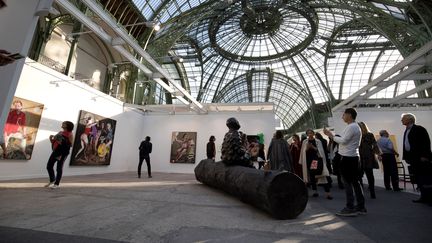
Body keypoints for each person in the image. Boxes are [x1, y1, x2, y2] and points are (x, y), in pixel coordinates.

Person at [324, 108, 365, 216]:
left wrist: (331, 136)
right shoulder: (354, 127)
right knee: (355, 182)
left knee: (348, 184)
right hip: (352, 157)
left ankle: (350, 207)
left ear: (349, 115)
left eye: (344, 115)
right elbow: (345, 141)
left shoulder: (352, 127)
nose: (342, 117)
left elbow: (344, 141)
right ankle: (361, 206)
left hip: (348, 158)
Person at [401, 113, 432, 204]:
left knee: (425, 178)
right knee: (419, 178)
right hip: (413, 158)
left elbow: (426, 143)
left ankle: (429, 198)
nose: (401, 120)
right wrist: (406, 157)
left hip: (421, 158)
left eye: (403, 118)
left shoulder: (419, 129)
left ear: (410, 120)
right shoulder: (407, 130)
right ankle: (423, 197)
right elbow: (406, 144)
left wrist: (425, 156)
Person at [299, 129, 333, 200]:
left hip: (316, 161)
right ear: (307, 134)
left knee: (322, 176)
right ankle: (315, 191)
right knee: (312, 177)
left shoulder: (318, 141)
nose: (310, 134)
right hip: (309, 161)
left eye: (311, 133)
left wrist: (313, 148)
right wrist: (308, 148)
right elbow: (303, 152)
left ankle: (328, 193)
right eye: (308, 133)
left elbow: (321, 152)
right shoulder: (305, 142)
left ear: (313, 134)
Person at [45, 121, 74, 189]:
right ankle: (52, 180)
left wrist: (62, 141)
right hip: (56, 151)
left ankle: (57, 183)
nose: (62, 124)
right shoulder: (60, 132)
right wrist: (51, 138)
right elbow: (53, 141)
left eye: (64, 123)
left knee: (59, 168)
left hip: (63, 153)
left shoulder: (70, 134)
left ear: (67, 126)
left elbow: (71, 145)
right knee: (49, 166)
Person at [358, 121, 382, 199]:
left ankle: (372, 191)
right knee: (359, 176)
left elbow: (375, 145)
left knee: (369, 175)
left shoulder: (369, 135)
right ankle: (361, 193)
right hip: (359, 157)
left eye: (360, 126)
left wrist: (379, 154)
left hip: (368, 157)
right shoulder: (357, 135)